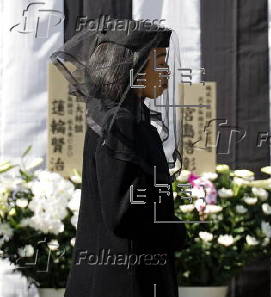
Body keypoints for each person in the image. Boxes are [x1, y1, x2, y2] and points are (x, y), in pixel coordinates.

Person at [50, 20, 188, 297]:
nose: (167, 71)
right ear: (132, 67)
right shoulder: (121, 123)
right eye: (159, 62)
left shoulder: (115, 117)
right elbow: (123, 212)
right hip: (126, 275)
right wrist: (172, 228)